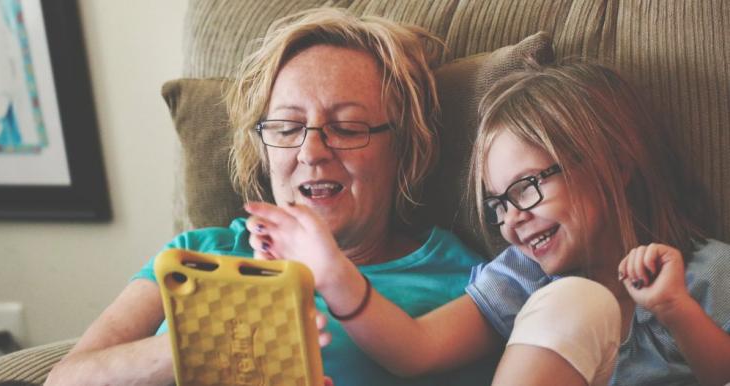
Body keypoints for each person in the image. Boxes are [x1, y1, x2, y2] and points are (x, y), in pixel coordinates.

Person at [45, 8, 492, 386]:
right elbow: (67, 377)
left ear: (404, 147)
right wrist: (210, 344)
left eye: (348, 127)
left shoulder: (465, 283)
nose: (311, 152)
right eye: (286, 127)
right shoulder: (198, 253)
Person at [245, 61, 730, 386]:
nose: (512, 220)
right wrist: (333, 272)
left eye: (526, 188)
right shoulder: (524, 277)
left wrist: (675, 309)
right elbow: (416, 349)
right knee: (575, 299)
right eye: (498, 204)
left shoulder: (709, 273)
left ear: (614, 164)